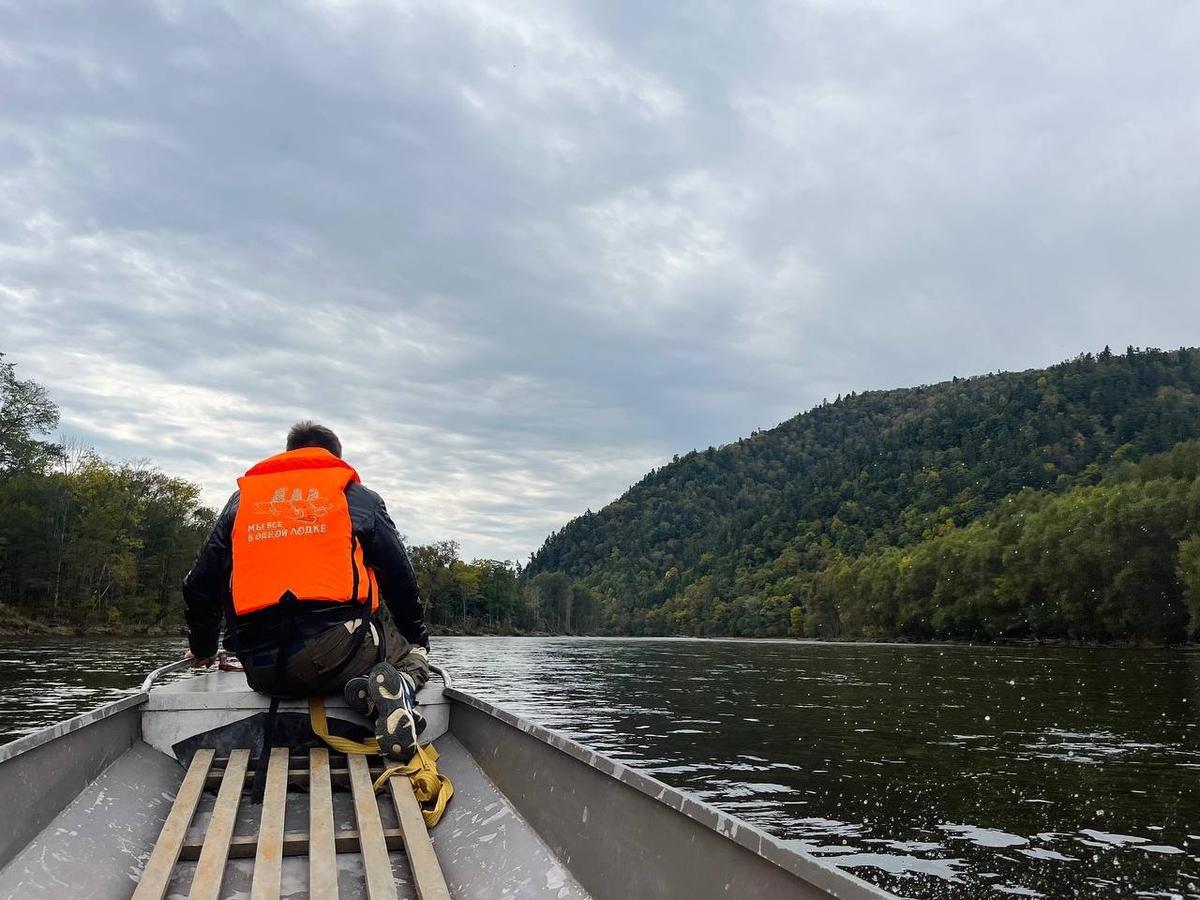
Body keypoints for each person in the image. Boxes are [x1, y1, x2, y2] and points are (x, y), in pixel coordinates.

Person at [182, 421, 429, 759]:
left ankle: (371, 696)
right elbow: (400, 580)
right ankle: (397, 689)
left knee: (321, 656)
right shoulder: (357, 498)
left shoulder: (241, 503)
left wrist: (204, 647)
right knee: (411, 653)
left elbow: (199, 586)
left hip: (261, 667)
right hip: (337, 652)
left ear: (289, 455)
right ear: (335, 459)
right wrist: (418, 637)